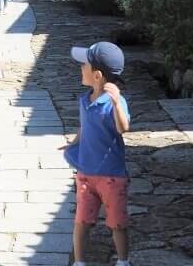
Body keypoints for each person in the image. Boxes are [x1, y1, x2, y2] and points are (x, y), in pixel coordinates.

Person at [62, 42, 132, 266]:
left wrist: (117, 104)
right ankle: (79, 262)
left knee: (117, 223)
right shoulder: (85, 100)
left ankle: (123, 261)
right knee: (81, 220)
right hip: (85, 173)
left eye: (84, 65)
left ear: (98, 75)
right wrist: (73, 143)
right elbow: (84, 127)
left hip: (112, 175)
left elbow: (123, 128)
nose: (80, 67)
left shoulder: (115, 102)